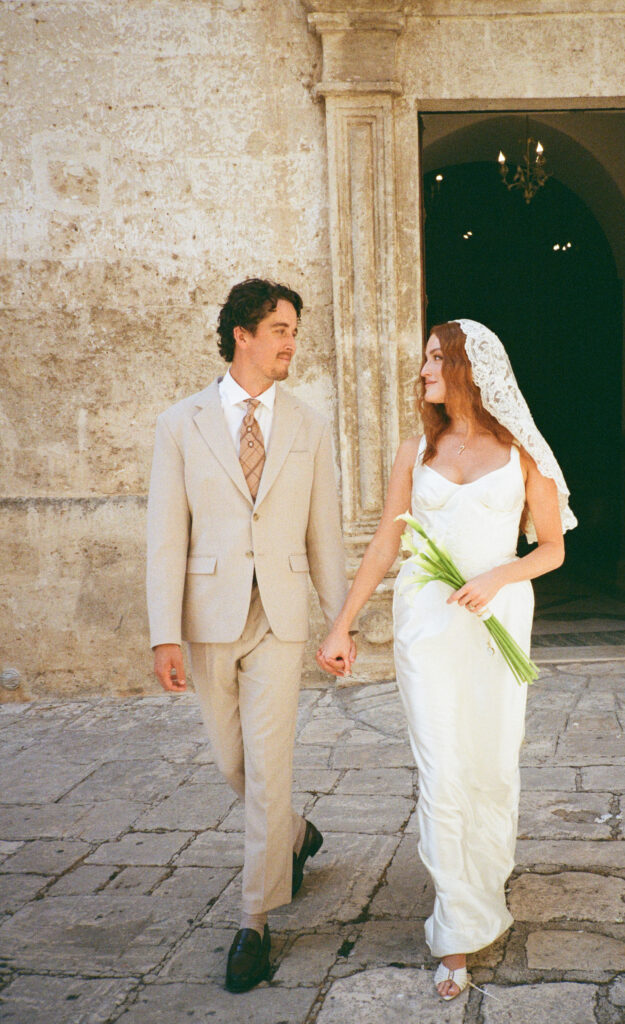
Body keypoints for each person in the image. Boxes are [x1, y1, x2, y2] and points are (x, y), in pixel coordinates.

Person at [317, 319, 576, 1000]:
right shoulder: (416, 450)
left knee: (489, 764)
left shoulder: (521, 453)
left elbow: (550, 548)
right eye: (427, 357)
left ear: (470, 368)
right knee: (441, 766)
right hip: (426, 622)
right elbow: (383, 544)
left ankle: (484, 883)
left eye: (437, 357)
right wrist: (341, 625)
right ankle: (455, 931)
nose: (425, 367)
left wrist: (497, 577)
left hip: (495, 622)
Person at [147, 277, 354, 994]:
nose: (291, 343)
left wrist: (340, 619)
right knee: (233, 762)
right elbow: (165, 537)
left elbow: (323, 530)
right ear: (243, 334)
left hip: (281, 618)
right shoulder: (180, 423)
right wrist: (162, 633)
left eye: (294, 330)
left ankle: (254, 921)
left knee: (268, 767)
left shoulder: (308, 424)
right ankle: (294, 835)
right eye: (280, 330)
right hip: (208, 618)